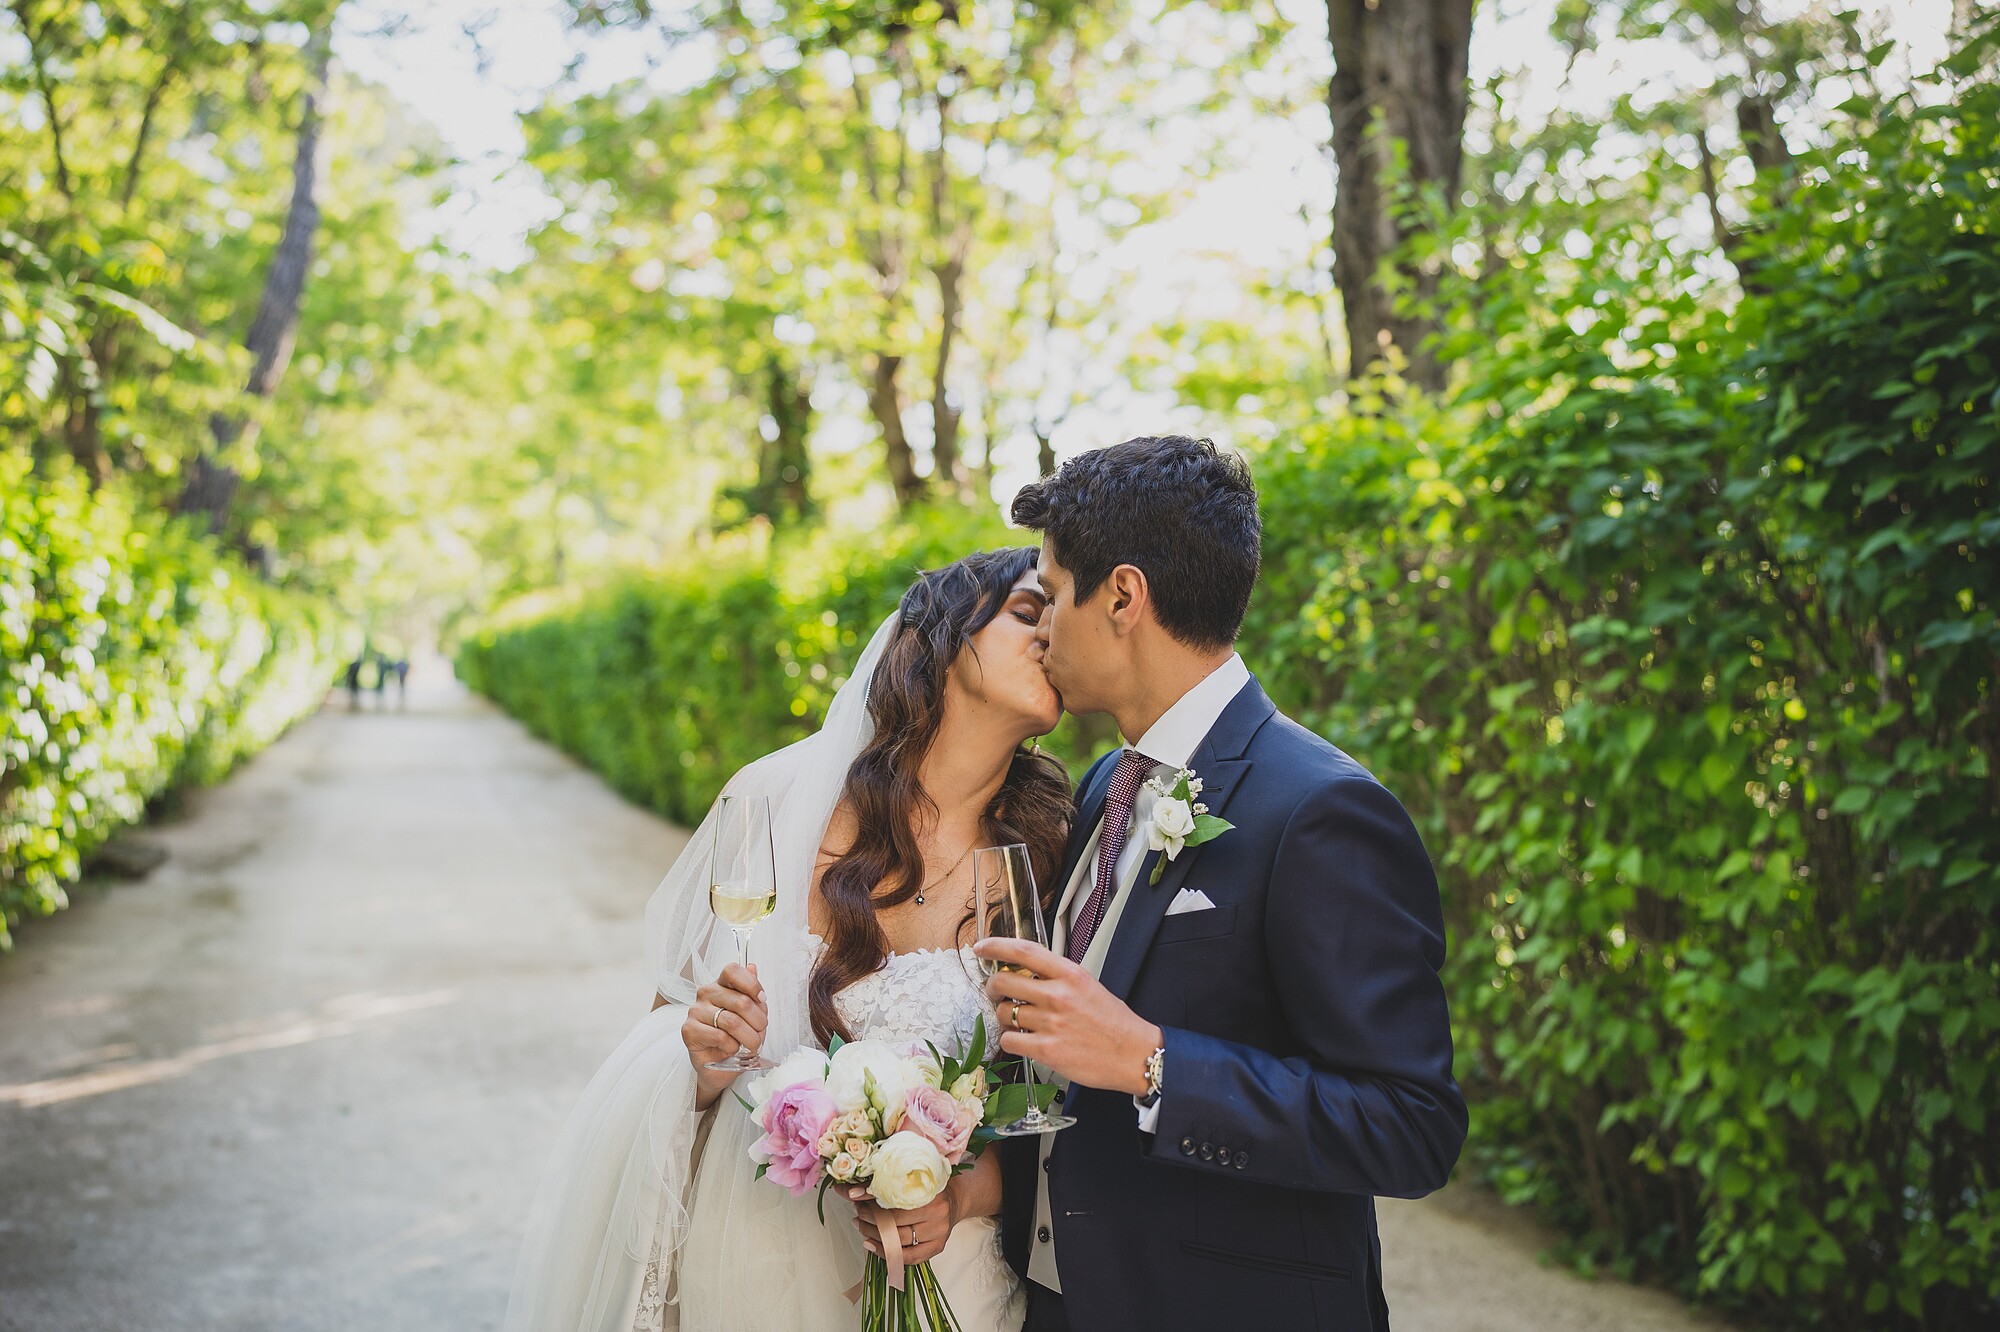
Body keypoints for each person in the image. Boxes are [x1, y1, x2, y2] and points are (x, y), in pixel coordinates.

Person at [502, 548, 1067, 1332]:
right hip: (758, 1268)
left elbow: (1043, 1114)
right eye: (1027, 612)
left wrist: (959, 1193)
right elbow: (673, 1031)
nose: (1052, 635)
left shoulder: (1049, 853)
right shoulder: (775, 803)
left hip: (953, 1279)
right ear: (940, 637)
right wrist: (704, 1060)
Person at [977, 436, 1467, 1331]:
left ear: (1122, 596)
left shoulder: (1322, 811)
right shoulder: (1102, 787)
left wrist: (1151, 1062)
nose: (1041, 628)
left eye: (1050, 597)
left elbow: (1412, 1126)